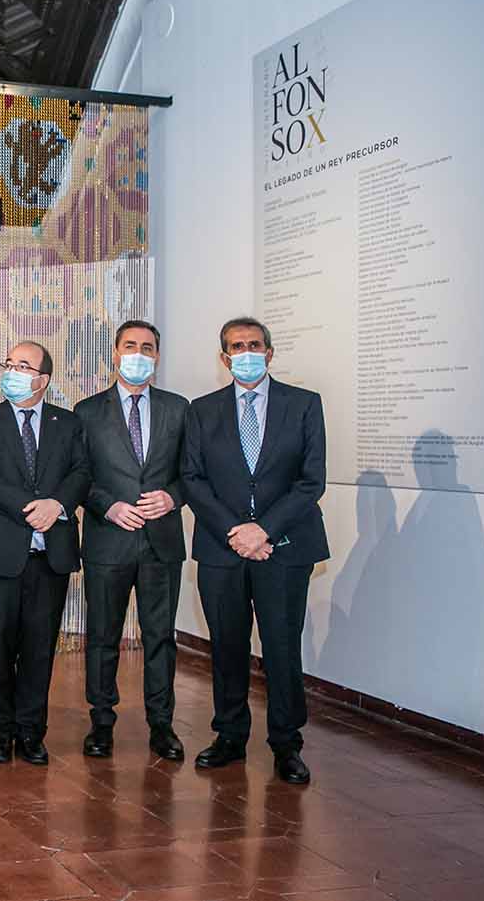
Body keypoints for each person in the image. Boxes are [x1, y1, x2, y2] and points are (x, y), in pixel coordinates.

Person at [181, 316, 328, 784]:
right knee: (227, 645)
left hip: (284, 547)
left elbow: (311, 481)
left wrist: (262, 530)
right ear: (224, 358)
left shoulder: (304, 405)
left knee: (282, 647)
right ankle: (229, 735)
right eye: (235, 346)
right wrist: (235, 531)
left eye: (254, 344)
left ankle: (287, 743)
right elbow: (192, 478)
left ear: (269, 351)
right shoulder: (201, 411)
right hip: (222, 549)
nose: (245, 351)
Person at [0, 340, 89, 764]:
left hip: (49, 556)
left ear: (43, 379)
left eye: (24, 365)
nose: (13, 371)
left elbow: (81, 472)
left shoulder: (68, 424)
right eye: (9, 363)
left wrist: (58, 505)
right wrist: (30, 507)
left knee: (39, 647)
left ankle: (32, 731)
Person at [73, 320, 188, 761]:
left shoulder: (179, 409)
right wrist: (106, 505)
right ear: (115, 354)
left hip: (161, 543)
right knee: (103, 637)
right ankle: (102, 722)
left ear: (157, 357)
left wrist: (173, 496)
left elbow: (191, 474)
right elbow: (78, 475)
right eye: (130, 346)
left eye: (148, 347)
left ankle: (162, 725)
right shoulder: (86, 412)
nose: (139, 354)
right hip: (108, 541)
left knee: (161, 637)